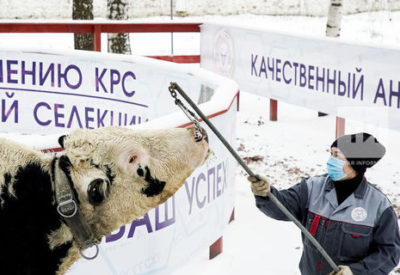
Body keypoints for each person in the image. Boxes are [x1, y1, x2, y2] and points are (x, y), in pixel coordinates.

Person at [248, 133, 400, 275]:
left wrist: (355, 271)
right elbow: (283, 207)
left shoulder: (379, 205)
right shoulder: (313, 187)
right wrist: (266, 194)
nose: (330, 160)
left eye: (336, 155)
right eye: (330, 153)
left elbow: (390, 253)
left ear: (355, 162)